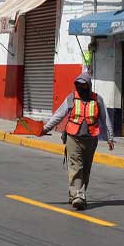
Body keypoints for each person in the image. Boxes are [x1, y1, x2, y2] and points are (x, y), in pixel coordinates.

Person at [42, 73, 114, 210]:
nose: (81, 88)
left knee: (86, 169)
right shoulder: (71, 98)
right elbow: (58, 115)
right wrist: (45, 129)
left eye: (84, 85)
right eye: (78, 85)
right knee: (76, 166)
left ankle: (74, 194)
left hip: (91, 139)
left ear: (89, 86)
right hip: (73, 137)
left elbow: (106, 119)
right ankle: (79, 196)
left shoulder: (98, 99)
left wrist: (110, 137)